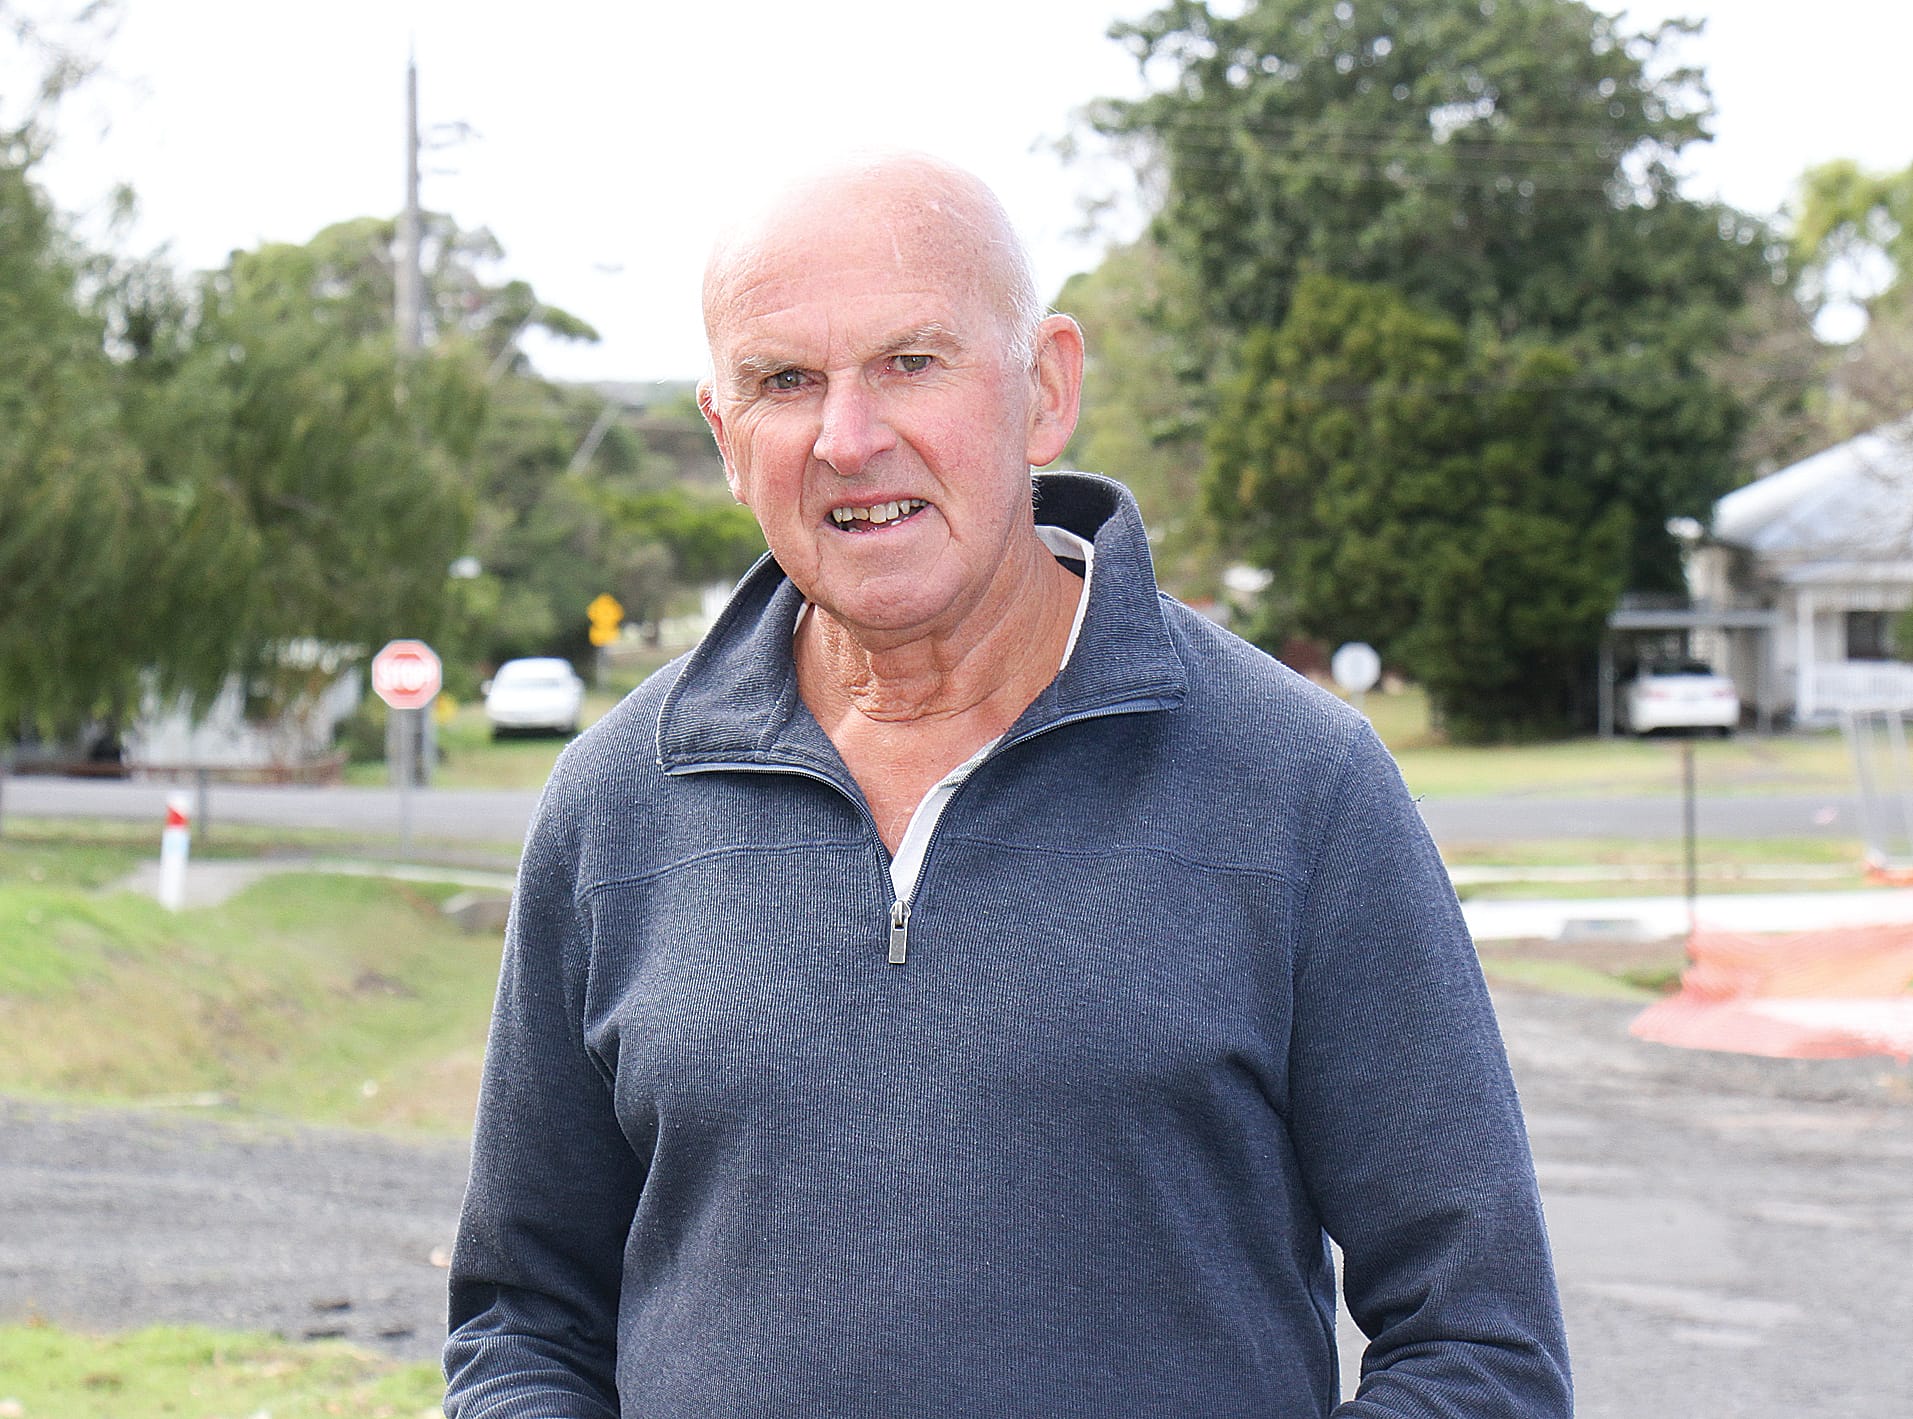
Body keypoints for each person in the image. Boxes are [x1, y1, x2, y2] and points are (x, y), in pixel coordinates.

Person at [442, 152, 1571, 1419]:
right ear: (722, 435)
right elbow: (522, 1324)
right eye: (784, 382)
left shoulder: (1299, 783)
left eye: (912, 363)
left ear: (1045, 390)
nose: (847, 439)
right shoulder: (614, 803)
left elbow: (1479, 1346)